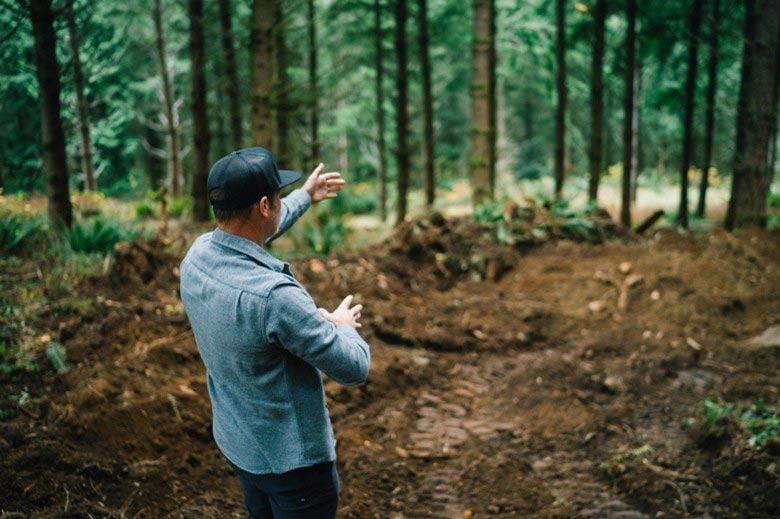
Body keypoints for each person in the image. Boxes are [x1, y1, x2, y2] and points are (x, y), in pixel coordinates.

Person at [179, 147, 371, 519]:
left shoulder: (197, 257)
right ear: (265, 205)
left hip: (242, 448)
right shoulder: (275, 298)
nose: (281, 202)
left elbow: (246, 238)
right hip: (295, 469)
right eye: (279, 196)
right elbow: (354, 368)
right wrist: (343, 326)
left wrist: (305, 196)